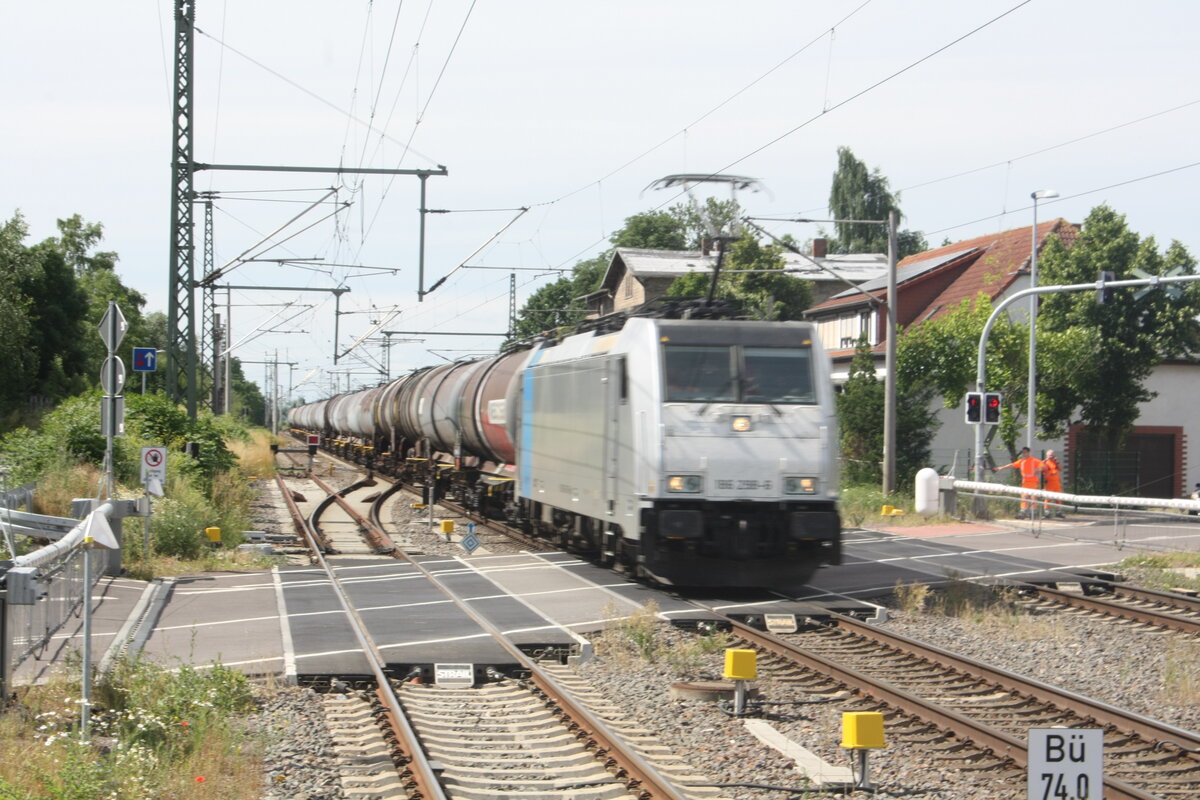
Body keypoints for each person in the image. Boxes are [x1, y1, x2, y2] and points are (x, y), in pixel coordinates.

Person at [994, 446, 1044, 519]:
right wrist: (1001, 467)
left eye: (1025, 452)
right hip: (1025, 483)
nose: (1024, 454)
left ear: (1029, 452)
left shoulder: (1034, 460)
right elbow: (1012, 465)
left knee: (1033, 498)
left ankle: (1033, 513)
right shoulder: (1022, 461)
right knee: (1024, 497)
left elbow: (1042, 465)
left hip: (1033, 482)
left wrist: (1039, 470)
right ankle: (1023, 512)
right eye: (1023, 452)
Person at [1041, 449, 1064, 518]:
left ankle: (1058, 512)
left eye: (1052, 455)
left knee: (1058, 498)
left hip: (1056, 483)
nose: (1051, 456)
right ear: (1047, 455)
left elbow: (1061, 469)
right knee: (1048, 498)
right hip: (1049, 483)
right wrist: (1045, 460)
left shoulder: (1055, 462)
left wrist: (1057, 462)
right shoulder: (1045, 462)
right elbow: (1041, 468)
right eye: (1050, 455)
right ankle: (1047, 513)